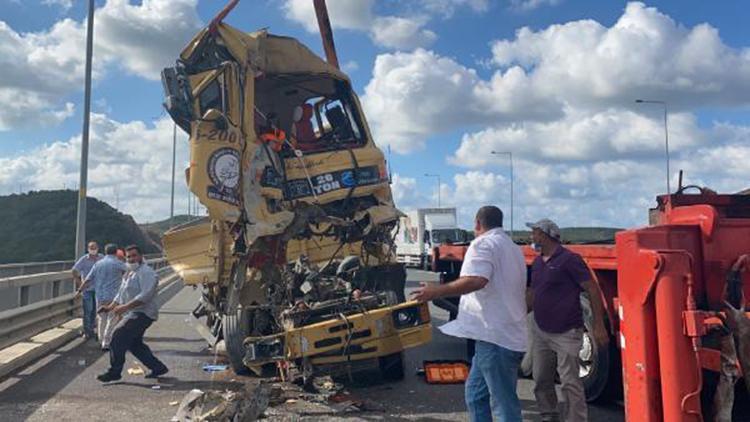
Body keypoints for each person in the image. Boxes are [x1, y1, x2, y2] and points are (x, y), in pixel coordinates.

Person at [412, 206, 527, 422]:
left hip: (495, 338)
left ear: (477, 224)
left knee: (504, 405)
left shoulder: (483, 244)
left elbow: (477, 279)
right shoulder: (512, 247)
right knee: (475, 395)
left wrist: (436, 291)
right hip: (498, 336)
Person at [526, 218, 609, 422]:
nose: (532, 237)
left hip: (566, 331)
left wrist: (598, 324)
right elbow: (532, 292)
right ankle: (549, 414)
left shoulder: (570, 260)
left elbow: (592, 289)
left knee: (570, 382)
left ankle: (576, 419)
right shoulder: (537, 263)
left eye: (535, 232)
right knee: (541, 378)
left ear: (546, 235)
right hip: (541, 330)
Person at [96, 244, 168, 382]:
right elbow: (121, 294)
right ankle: (158, 367)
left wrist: (124, 307)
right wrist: (110, 307)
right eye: (128, 257)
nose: (131, 259)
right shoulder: (129, 273)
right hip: (132, 312)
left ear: (140, 256)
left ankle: (115, 372)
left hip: (143, 313)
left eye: (134, 256)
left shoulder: (146, 272)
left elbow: (145, 295)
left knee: (117, 336)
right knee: (134, 344)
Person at [77, 243, 126, 350]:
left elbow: (88, 279)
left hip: (99, 295)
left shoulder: (98, 264)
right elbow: (129, 272)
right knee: (112, 318)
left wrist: (80, 289)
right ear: (115, 252)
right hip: (114, 296)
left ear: (105, 251)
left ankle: (101, 339)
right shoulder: (118, 263)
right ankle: (106, 342)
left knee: (101, 318)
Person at [72, 241, 102, 340]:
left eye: (94, 247)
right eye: (91, 248)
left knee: (96, 311)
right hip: (87, 289)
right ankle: (87, 331)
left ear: (98, 248)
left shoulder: (102, 258)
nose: (93, 250)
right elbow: (74, 270)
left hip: (99, 288)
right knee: (87, 310)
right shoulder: (84, 259)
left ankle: (93, 329)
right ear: (88, 249)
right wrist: (80, 284)